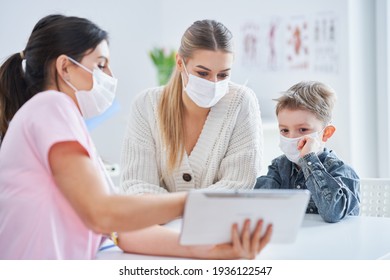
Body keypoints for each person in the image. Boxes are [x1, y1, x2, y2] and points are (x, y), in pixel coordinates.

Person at [0, 15, 272, 260]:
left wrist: (214, 250)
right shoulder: (51, 106)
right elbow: (104, 212)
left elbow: (122, 229)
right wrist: (194, 203)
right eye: (101, 64)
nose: (110, 76)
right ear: (65, 67)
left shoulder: (61, 119)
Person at [116, 19, 266, 257]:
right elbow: (137, 188)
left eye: (223, 74)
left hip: (217, 237)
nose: (213, 84)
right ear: (180, 63)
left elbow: (239, 184)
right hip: (159, 244)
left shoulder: (242, 102)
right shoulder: (146, 105)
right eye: (202, 73)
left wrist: (169, 207)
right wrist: (199, 206)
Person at [255, 81, 360, 223]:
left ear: (326, 133)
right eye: (285, 130)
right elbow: (259, 205)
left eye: (303, 130)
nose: (291, 138)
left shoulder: (341, 171)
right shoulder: (280, 167)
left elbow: (333, 213)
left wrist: (309, 160)